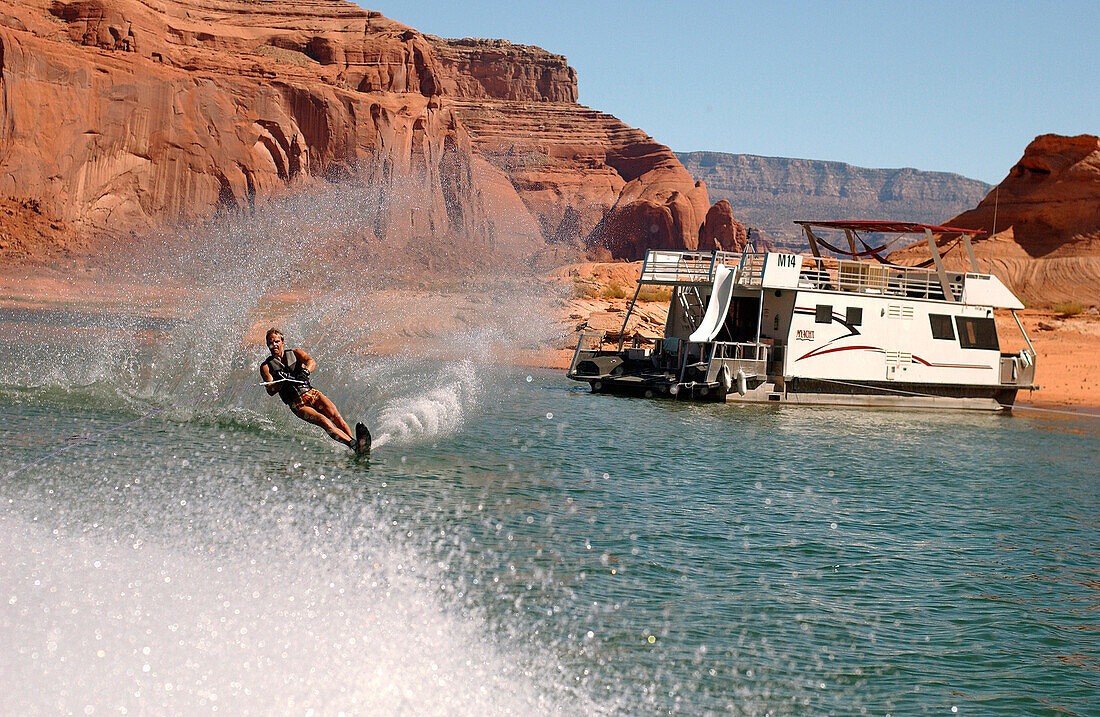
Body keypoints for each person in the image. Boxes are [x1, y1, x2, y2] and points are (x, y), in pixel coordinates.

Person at [259, 328, 355, 447]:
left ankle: (356, 446)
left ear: (282, 342)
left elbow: (311, 361)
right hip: (298, 404)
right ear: (267, 345)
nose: (274, 345)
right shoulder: (266, 366)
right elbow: (270, 390)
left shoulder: (295, 353)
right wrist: (280, 382)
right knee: (323, 421)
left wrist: (305, 371)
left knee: (337, 418)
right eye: (270, 342)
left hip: (311, 393)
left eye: (276, 341)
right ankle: (353, 444)